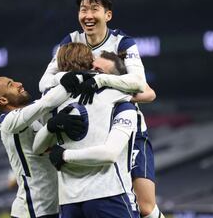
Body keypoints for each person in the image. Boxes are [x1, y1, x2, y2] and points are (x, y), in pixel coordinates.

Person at [39, 0, 164, 218]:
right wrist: (67, 78)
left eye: (94, 9)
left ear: (108, 15)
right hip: (92, 130)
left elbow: (142, 85)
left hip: (126, 129)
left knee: (145, 206)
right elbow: (44, 82)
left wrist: (100, 83)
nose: (87, 15)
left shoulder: (122, 43)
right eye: (83, 9)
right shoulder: (70, 42)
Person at [33, 42, 138, 218]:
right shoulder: (109, 91)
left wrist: (60, 147)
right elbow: (144, 89)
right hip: (92, 195)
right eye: (93, 65)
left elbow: (37, 148)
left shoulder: (51, 99)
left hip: (87, 197)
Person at [0, 76, 86, 218]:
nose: (19, 83)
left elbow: (46, 101)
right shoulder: (7, 121)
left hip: (52, 207)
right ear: (3, 100)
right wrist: (76, 79)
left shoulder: (35, 115)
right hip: (32, 210)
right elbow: (46, 102)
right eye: (10, 85)